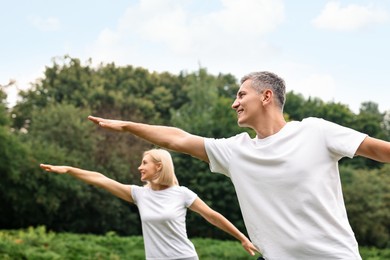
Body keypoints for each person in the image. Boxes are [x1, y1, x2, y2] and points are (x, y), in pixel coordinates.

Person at [88, 71, 390, 260]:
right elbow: (178, 139)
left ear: (266, 96)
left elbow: (380, 150)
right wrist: (128, 126)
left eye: (241, 94)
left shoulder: (316, 131)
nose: (235, 102)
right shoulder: (235, 151)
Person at [40, 148, 258, 260]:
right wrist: (69, 169)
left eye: (144, 163)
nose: (139, 167)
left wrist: (242, 238)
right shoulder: (138, 194)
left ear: (159, 166)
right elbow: (101, 179)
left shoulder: (182, 194)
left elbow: (212, 216)